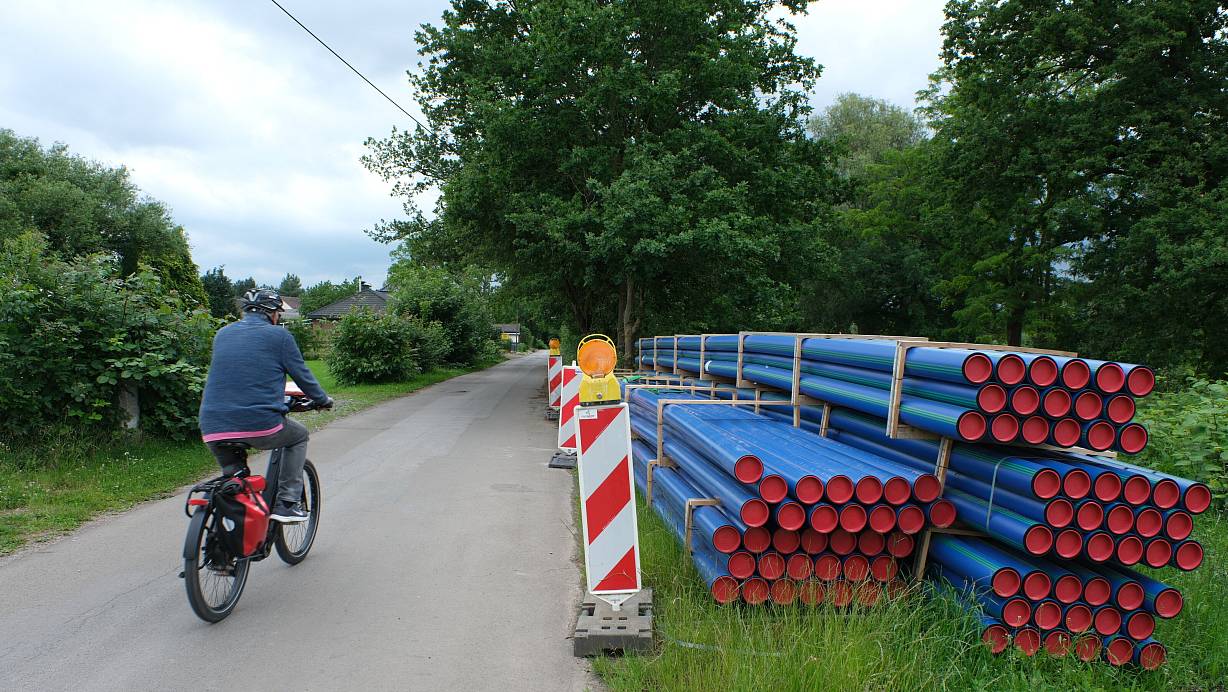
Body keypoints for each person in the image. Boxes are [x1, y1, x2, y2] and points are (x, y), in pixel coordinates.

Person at [198, 289, 333, 523]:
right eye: (278, 314)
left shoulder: (222, 334)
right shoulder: (279, 337)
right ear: (272, 314)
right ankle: (287, 502)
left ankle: (228, 545)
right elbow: (303, 376)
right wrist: (322, 400)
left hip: (212, 426)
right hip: (259, 424)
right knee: (298, 436)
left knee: (234, 480)